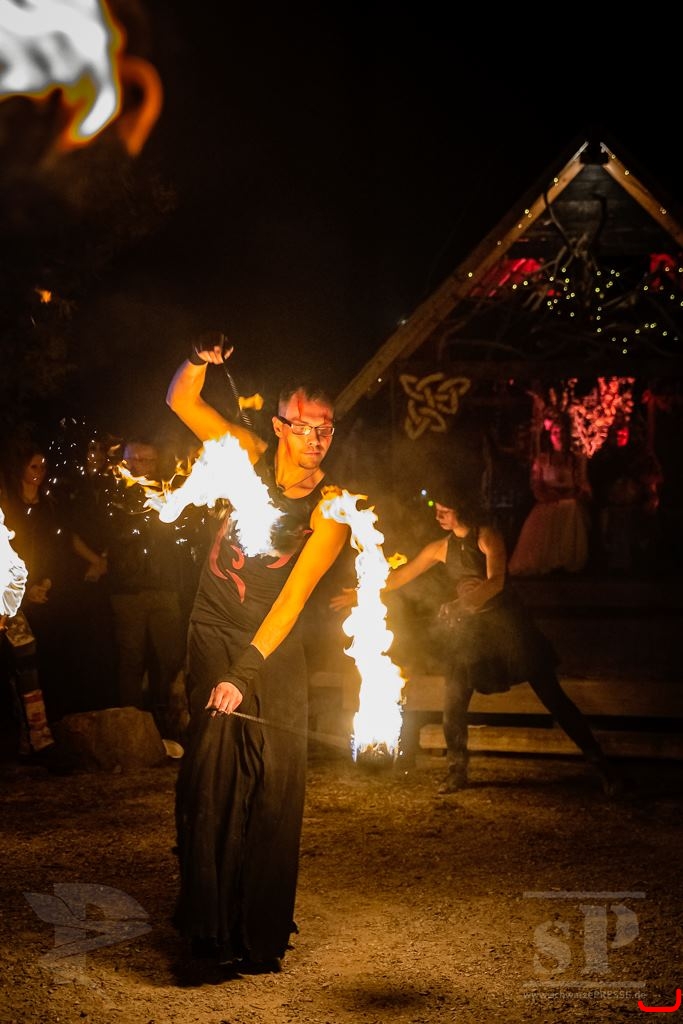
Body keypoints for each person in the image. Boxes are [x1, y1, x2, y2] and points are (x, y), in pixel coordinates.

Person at [166, 331, 349, 973]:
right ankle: (208, 934)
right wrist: (197, 359)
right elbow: (181, 400)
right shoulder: (244, 453)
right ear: (279, 427)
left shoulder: (332, 508)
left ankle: (258, 933)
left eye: (326, 428)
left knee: (275, 781)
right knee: (214, 766)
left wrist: (245, 673)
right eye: (304, 426)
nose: (316, 439)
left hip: (272, 642)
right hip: (213, 626)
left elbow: (292, 601)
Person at [330, 476, 623, 798]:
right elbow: (401, 576)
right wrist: (361, 593)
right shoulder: (440, 547)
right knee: (454, 702)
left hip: (506, 629)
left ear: (462, 510)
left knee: (554, 698)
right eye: (437, 510)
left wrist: (460, 604)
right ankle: (457, 771)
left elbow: (496, 581)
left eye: (445, 511)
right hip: (468, 636)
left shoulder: (487, 536)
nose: (438, 516)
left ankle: (604, 768)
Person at [105, 437, 188, 738]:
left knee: (169, 659)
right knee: (131, 659)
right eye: (133, 459)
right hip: (128, 591)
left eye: (146, 459)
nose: (138, 465)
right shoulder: (114, 495)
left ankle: (168, 726)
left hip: (165, 587)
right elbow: (108, 534)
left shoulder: (169, 492)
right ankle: (131, 728)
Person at [508, 413, 592, 576]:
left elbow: (581, 485)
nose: (559, 436)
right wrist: (547, 496)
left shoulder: (575, 460)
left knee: (572, 509)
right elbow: (536, 485)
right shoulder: (542, 460)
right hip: (548, 501)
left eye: (562, 432)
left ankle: (567, 559)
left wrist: (572, 494)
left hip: (570, 503)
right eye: (555, 432)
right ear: (550, 436)